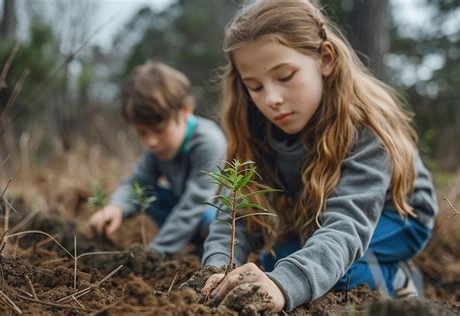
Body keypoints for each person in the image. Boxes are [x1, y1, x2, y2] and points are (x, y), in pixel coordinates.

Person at [200, 0, 438, 312]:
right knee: (279, 261)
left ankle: (397, 277)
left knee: (335, 274)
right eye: (255, 86)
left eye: (285, 76)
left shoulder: (364, 126)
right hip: (324, 211)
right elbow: (231, 215)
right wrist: (218, 270)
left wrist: (283, 286)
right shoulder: (253, 125)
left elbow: (346, 226)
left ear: (324, 58)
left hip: (397, 216)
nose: (271, 99)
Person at [89, 61, 227, 257]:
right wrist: (116, 207)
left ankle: (207, 254)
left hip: (218, 217)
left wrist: (156, 253)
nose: (151, 142)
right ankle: (183, 249)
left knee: (208, 218)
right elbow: (138, 183)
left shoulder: (208, 142)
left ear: (185, 111)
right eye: (142, 133)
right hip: (185, 212)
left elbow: (196, 202)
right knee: (148, 196)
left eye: (159, 129)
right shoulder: (157, 149)